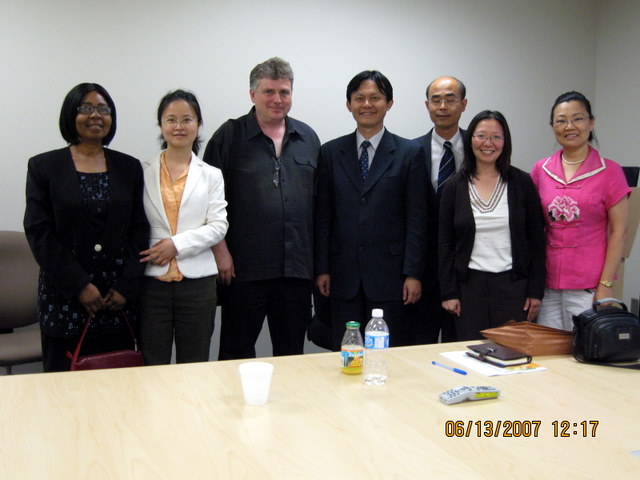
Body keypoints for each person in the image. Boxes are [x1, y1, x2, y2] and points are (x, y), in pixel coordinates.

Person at [24, 83, 149, 372]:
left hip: (117, 301)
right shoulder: (44, 166)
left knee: (118, 384)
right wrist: (79, 285)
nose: (96, 115)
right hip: (65, 299)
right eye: (86, 108)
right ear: (71, 114)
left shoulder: (129, 167)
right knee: (64, 386)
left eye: (104, 109)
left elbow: (139, 231)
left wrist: (126, 287)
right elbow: (39, 232)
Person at [202, 57, 320, 359]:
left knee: (291, 355)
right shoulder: (229, 136)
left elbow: (319, 206)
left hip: (295, 271)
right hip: (243, 271)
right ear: (252, 94)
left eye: (284, 92)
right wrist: (220, 252)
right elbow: (207, 202)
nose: (277, 99)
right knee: (235, 355)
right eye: (269, 92)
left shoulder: (308, 138)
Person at [315, 70, 428, 349]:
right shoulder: (330, 152)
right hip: (342, 277)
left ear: (389, 103)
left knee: (388, 355)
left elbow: (417, 219)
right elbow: (323, 216)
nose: (367, 104)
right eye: (359, 98)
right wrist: (322, 269)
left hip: (392, 278)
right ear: (349, 104)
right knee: (346, 353)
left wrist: (413, 273)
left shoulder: (409, 153)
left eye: (375, 98)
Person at [439, 110, 546, 341]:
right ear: (470, 140)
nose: (488, 143)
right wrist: (449, 292)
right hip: (469, 289)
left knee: (511, 354)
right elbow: (445, 244)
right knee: (468, 353)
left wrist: (535, 291)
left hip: (513, 288)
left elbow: (537, 241)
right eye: (481, 136)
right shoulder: (454, 186)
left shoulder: (522, 182)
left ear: (505, 142)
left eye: (496, 137)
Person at [138, 90, 227, 365]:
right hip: (151, 282)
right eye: (171, 119)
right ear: (161, 125)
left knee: (195, 364)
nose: (179, 126)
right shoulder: (140, 171)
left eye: (187, 119)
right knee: (152, 364)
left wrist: (176, 245)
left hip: (197, 284)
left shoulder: (211, 174)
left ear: (198, 125)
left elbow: (218, 226)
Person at [531, 91, 630, 330]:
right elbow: (532, 227)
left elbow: (619, 232)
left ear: (591, 122)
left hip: (589, 287)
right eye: (561, 120)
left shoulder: (610, 171)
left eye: (578, 118)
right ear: (552, 126)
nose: (569, 126)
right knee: (550, 348)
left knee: (585, 348)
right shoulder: (541, 170)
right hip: (548, 284)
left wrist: (605, 285)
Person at [412, 76, 468, 343]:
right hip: (423, 270)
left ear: (463, 104)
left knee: (461, 346)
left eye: (450, 99)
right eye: (436, 100)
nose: (443, 106)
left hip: (466, 269)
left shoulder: (480, 148)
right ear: (427, 106)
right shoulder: (410, 151)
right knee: (417, 345)